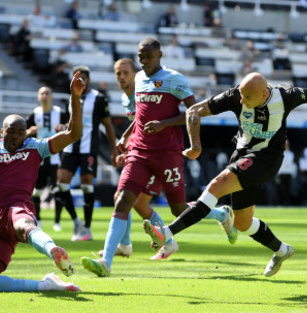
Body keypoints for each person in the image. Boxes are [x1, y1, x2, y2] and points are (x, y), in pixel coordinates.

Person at [142, 69, 307, 277]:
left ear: (263, 93)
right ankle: (282, 250)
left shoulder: (286, 96)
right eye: (240, 95)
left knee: (217, 185)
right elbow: (194, 110)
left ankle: (167, 233)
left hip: (267, 158)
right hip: (242, 155)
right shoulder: (236, 95)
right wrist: (196, 146)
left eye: (247, 97)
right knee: (242, 223)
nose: (241, 101)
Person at [81, 39, 237, 277]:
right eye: (140, 57)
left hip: (168, 154)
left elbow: (193, 111)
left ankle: (221, 214)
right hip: (140, 153)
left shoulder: (174, 79)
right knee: (123, 200)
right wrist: (126, 137)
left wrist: (165, 124)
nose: (143, 61)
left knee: (179, 210)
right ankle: (107, 262)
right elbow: (141, 117)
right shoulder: (139, 80)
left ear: (160, 55)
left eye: (148, 56)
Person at [0, 73, 85, 293]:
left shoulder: (34, 147)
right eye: (10, 132)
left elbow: (73, 134)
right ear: (1, 132)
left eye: (20, 133)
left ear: (26, 134)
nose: (15, 137)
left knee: (24, 225)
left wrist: (75, 98)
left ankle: (52, 250)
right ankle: (46, 285)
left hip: (17, 209)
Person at [55, 65, 119, 242]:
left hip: (88, 147)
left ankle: (88, 229)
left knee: (86, 186)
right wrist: (62, 127)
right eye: (77, 77)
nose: (80, 80)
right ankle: (76, 221)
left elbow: (108, 125)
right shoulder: (72, 97)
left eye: (83, 77)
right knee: (61, 185)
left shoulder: (98, 98)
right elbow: (71, 121)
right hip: (70, 147)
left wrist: (114, 149)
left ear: (89, 79)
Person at [26, 86, 68, 230]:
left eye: (47, 93)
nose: (44, 96)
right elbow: (23, 132)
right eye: (41, 93)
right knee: (36, 190)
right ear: (38, 97)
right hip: (39, 157)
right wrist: (29, 132)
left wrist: (63, 127)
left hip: (56, 157)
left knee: (57, 189)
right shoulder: (34, 114)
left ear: (52, 96)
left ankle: (57, 222)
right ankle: (38, 219)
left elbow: (71, 127)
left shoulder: (60, 113)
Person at [275, 139, 297, 206]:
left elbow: (293, 164)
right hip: (281, 174)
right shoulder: (279, 153)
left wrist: (293, 174)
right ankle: (279, 204)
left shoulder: (291, 154)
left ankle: (287, 203)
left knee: (287, 190)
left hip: (288, 174)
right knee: (280, 190)